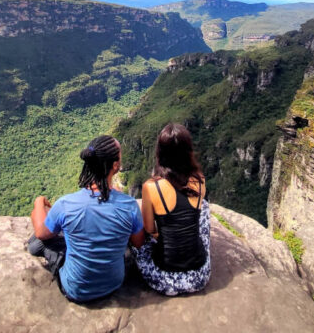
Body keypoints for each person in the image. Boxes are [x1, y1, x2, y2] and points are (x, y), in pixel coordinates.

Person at [28, 134, 145, 303]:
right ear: (115, 165)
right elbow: (138, 242)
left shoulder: (66, 204)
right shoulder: (129, 205)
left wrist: (39, 203)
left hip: (76, 289)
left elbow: (40, 233)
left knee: (39, 241)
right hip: (114, 284)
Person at [134, 122, 211, 296]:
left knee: (138, 243)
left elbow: (149, 229)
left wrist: (166, 236)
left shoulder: (151, 187)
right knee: (204, 207)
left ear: (160, 152)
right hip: (199, 275)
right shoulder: (199, 180)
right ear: (188, 151)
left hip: (164, 278)